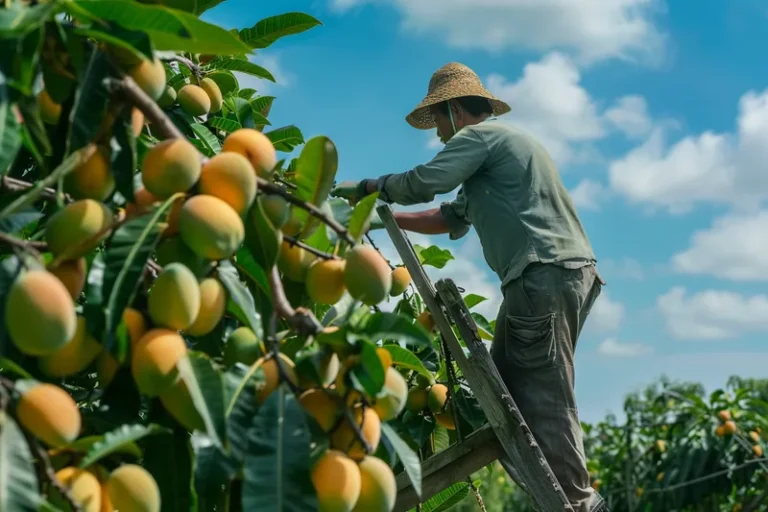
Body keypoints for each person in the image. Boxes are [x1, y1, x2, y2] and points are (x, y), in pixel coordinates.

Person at [330, 62, 608, 512]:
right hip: (556, 275)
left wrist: (367, 188)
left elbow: (424, 183)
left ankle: (578, 504)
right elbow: (447, 217)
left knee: (542, 395)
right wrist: (377, 217)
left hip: (541, 274)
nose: (438, 133)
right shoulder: (497, 153)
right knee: (504, 399)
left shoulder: (479, 138)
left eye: (438, 120)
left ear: (456, 109)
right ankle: (554, 498)